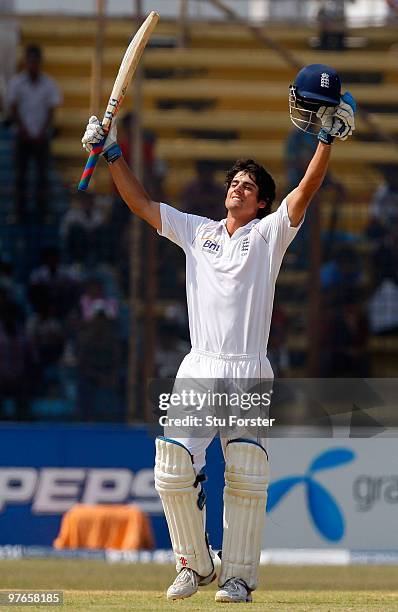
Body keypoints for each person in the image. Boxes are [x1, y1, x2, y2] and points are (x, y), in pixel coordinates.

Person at [81, 63, 356, 603]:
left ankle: (239, 577)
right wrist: (112, 151)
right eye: (235, 181)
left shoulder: (271, 234)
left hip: (249, 365)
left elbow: (308, 187)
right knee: (171, 469)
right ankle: (194, 564)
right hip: (200, 365)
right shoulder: (196, 231)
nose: (237, 187)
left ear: (259, 202)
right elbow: (139, 203)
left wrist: (325, 138)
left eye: (248, 186)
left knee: (246, 473)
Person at [6, 44, 61, 222]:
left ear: (40, 63)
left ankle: (43, 212)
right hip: (22, 137)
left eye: (36, 62)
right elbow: (13, 109)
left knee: (42, 176)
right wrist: (24, 130)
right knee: (20, 176)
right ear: (26, 62)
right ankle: (18, 212)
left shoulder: (49, 84)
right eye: (30, 61)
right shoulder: (17, 83)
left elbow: (52, 111)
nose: (33, 65)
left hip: (40, 137)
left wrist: (40, 132)